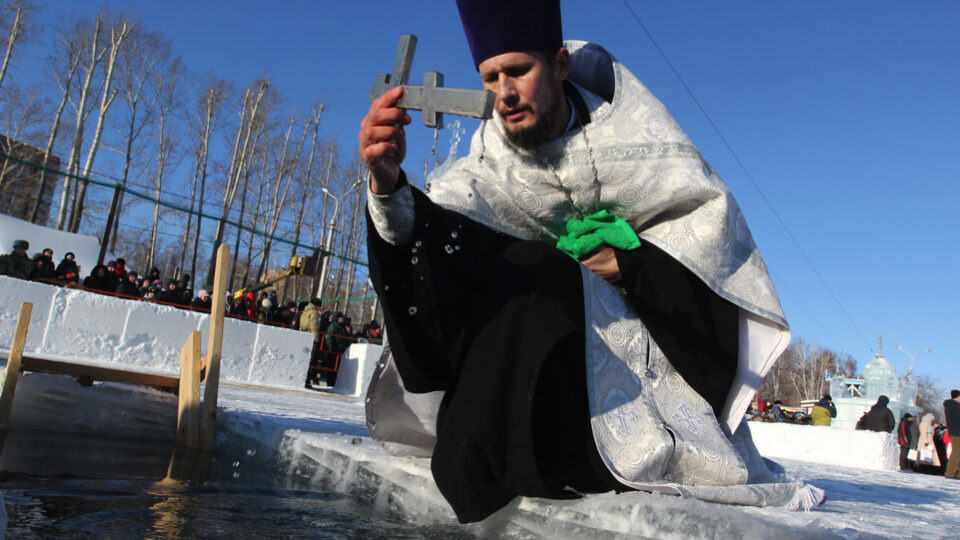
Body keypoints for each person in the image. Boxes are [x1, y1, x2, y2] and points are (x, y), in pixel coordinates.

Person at [358, 0, 821, 523]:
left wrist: (633, 265)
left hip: (646, 387)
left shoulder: (640, 141)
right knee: (521, 262)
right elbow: (436, 251)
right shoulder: (486, 174)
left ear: (558, 65)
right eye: (490, 78)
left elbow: (711, 251)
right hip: (536, 395)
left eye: (518, 71)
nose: (504, 94)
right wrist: (387, 184)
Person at [943, 389, 960, 479]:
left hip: (954, 431)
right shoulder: (954, 406)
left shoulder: (950, 405)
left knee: (957, 452)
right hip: (957, 432)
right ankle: (951, 472)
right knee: (956, 452)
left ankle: (955, 472)